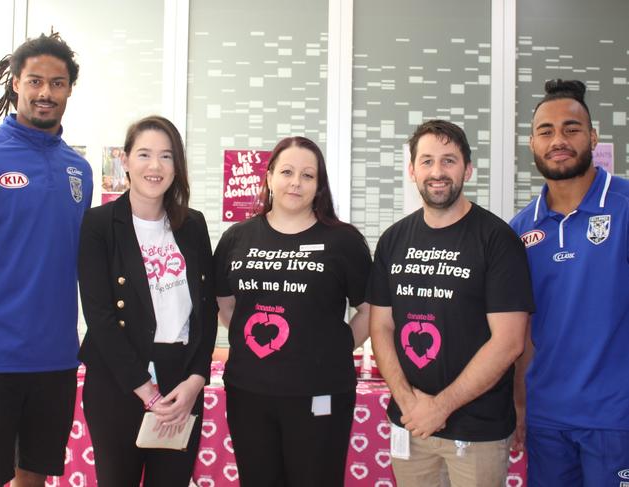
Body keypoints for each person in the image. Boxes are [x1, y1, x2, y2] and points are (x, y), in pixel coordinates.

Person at [368, 120, 534, 487]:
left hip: (478, 432)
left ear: (467, 169)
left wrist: (439, 408)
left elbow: (509, 341)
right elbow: (380, 326)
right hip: (410, 426)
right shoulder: (393, 240)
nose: (437, 172)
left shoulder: (497, 240)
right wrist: (409, 403)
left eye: (449, 160)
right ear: (412, 170)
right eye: (426, 161)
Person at [214, 136, 371, 487]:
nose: (296, 182)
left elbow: (369, 309)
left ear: (319, 186)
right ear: (269, 177)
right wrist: (247, 338)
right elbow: (224, 303)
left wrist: (334, 349)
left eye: (307, 175)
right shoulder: (237, 238)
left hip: (321, 391)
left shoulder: (343, 241)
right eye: (286, 171)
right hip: (248, 392)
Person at [77, 115, 217, 487]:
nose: (155, 166)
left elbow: (206, 308)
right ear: (124, 160)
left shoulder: (194, 225)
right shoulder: (98, 225)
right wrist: (146, 391)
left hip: (181, 383)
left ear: (177, 166)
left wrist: (196, 380)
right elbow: (100, 316)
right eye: (144, 154)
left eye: (166, 156)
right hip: (119, 382)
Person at [0, 32, 92, 487]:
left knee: (36, 476)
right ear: (15, 84)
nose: (46, 93)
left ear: (69, 89)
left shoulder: (78, 169)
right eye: (35, 81)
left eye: (58, 83)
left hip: (56, 356)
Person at [510, 79, 629, 486]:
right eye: (546, 131)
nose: (558, 139)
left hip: (616, 419)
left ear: (593, 137)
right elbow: (520, 330)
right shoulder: (519, 229)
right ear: (532, 144)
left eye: (571, 129)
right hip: (547, 421)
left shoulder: (626, 207)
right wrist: (520, 405)